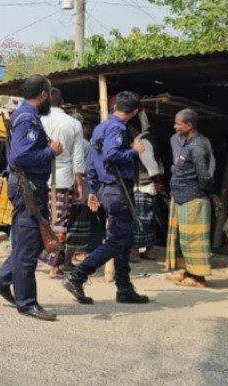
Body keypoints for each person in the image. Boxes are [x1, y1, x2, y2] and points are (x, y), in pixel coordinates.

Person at [62, 91, 150, 305]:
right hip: (117, 189)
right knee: (118, 240)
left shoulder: (101, 127)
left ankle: (124, 288)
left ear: (115, 106)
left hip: (106, 189)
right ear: (135, 111)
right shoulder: (118, 128)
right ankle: (78, 275)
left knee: (125, 238)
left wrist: (93, 190)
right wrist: (134, 151)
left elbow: (93, 161)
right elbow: (111, 155)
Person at [0, 75, 62, 321]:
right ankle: (27, 302)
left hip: (28, 186)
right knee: (29, 245)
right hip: (27, 187)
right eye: (49, 94)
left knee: (33, 241)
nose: (49, 98)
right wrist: (50, 151)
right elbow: (20, 156)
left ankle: (1, 280)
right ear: (43, 94)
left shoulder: (25, 116)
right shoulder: (28, 118)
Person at [166, 108, 218, 288]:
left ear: (189, 125)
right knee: (185, 238)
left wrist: (201, 192)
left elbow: (204, 175)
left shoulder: (197, 146)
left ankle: (198, 277)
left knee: (194, 239)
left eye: (178, 123)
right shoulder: (189, 142)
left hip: (193, 197)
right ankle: (188, 271)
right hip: (183, 197)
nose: (175, 126)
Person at [39, 88, 85, 278]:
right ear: (62, 102)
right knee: (59, 223)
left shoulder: (38, 119)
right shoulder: (73, 123)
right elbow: (78, 158)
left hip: (38, 177)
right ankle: (54, 267)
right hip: (63, 180)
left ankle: (28, 258)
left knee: (36, 219)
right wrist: (80, 183)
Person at [129, 121, 166, 261]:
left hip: (143, 185)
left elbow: (151, 166)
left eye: (130, 128)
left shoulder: (142, 142)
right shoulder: (150, 138)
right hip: (151, 186)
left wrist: (157, 182)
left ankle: (134, 252)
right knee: (149, 220)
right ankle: (150, 250)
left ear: (133, 128)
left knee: (139, 219)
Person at [62, 116, 94, 269]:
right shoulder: (85, 145)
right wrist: (80, 186)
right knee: (74, 229)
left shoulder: (60, 139)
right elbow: (83, 170)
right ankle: (66, 262)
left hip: (60, 190)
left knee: (59, 227)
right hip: (78, 193)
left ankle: (55, 263)